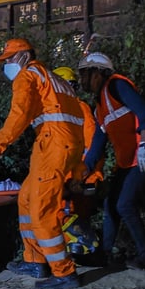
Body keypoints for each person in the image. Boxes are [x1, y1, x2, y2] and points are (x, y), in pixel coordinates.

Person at [0, 38, 86, 289]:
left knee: (41, 211)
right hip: (64, 144)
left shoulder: (27, 76)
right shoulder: (55, 80)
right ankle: (35, 260)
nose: (7, 64)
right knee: (27, 197)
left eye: (10, 58)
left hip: (53, 144)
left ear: (25, 56)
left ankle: (64, 273)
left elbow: (19, 115)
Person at [78, 52, 145, 270]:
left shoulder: (116, 85)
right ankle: (103, 255)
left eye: (85, 73)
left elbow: (144, 109)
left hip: (144, 153)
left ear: (98, 73)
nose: (83, 79)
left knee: (124, 203)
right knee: (111, 204)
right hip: (128, 160)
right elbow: (97, 146)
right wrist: (83, 171)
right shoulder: (100, 107)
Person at [52, 65, 104, 257]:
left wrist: (79, 178)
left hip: (76, 178)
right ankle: (79, 257)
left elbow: (89, 146)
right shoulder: (71, 109)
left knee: (63, 215)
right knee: (74, 219)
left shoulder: (76, 109)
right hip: (78, 176)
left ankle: (84, 253)